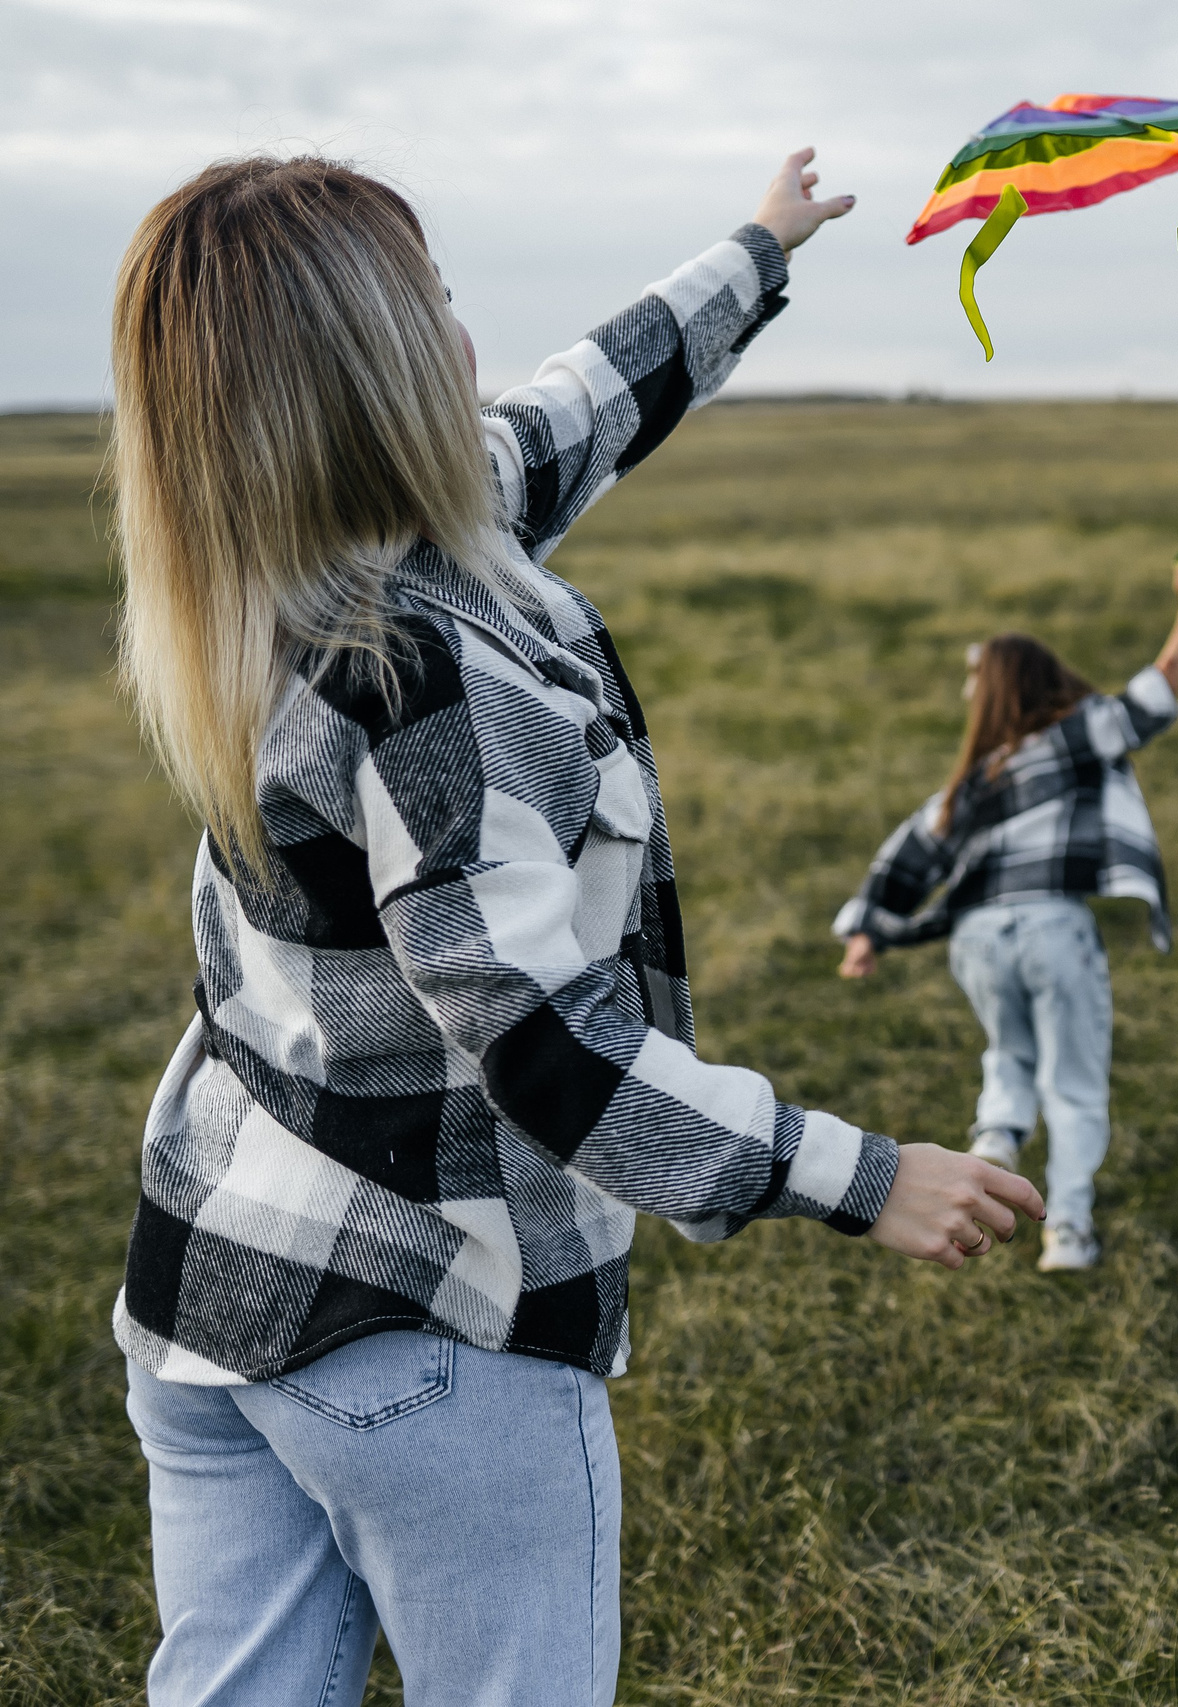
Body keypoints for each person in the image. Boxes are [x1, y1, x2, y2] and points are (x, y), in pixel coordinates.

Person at [109, 148, 1043, 1706]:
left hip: (209, 1280)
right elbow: (555, 1052)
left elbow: (586, 401)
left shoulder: (270, 578)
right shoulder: (419, 681)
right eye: (439, 307)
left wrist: (760, 245)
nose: (469, 338)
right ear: (374, 370)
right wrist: (860, 1174)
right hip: (429, 1324)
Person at [832, 567, 1178, 1271]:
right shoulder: (1073, 738)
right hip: (1051, 928)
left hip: (976, 938)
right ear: (1049, 683)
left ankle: (997, 1136)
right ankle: (1067, 1229)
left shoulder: (971, 782)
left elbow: (907, 856)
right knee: (1073, 1079)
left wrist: (866, 933)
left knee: (1008, 1048)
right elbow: (1155, 693)